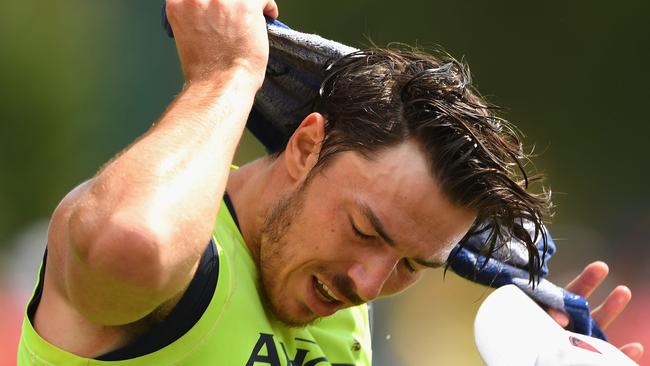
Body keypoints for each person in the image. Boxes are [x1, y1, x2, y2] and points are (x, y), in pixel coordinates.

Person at [17, 0, 644, 364]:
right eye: (365, 230)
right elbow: (128, 246)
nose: (369, 284)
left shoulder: (334, 306)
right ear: (307, 143)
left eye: (411, 265)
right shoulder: (180, 255)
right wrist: (226, 74)